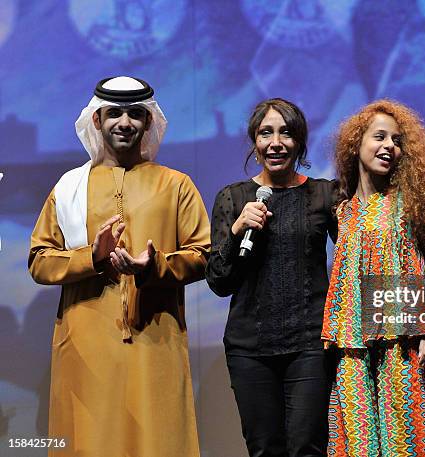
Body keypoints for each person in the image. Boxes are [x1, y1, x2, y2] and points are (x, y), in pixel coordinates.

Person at [29, 77, 211, 457]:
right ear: (97, 120)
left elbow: (202, 255)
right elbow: (40, 260)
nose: (124, 122)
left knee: (158, 442)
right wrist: (91, 258)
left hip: (155, 338)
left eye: (134, 114)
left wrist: (153, 266)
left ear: (148, 121)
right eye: (114, 113)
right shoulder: (68, 188)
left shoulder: (176, 185)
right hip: (86, 342)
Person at [205, 98, 337, 457]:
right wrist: (236, 230)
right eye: (266, 133)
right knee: (264, 449)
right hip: (250, 349)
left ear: (299, 142)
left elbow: (356, 258)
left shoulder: (325, 194)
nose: (276, 142)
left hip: (310, 344)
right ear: (254, 141)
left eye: (286, 133)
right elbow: (218, 282)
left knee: (307, 448)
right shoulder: (233, 198)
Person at [322, 100, 425, 456]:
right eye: (379, 136)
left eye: (396, 140)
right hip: (353, 348)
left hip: (406, 343)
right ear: (356, 142)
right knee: (356, 446)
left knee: (407, 444)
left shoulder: (412, 201)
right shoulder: (343, 211)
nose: (389, 146)